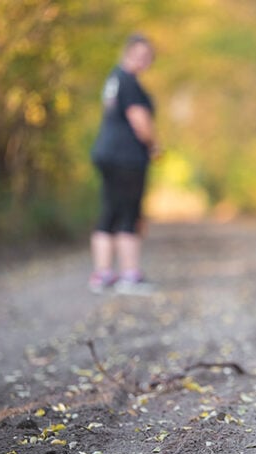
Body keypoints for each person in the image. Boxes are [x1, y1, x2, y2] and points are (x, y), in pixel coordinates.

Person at [89, 34, 158, 295]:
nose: (143, 61)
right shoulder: (129, 82)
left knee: (109, 213)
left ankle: (103, 274)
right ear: (127, 53)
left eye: (147, 57)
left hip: (106, 153)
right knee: (129, 215)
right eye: (139, 55)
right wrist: (154, 146)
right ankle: (129, 275)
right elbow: (139, 119)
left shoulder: (114, 79)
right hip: (126, 157)